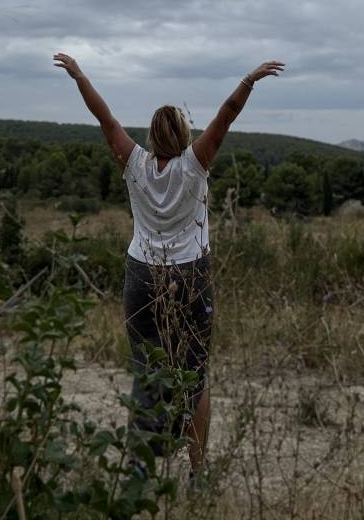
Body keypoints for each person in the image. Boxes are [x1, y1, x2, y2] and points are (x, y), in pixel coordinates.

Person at [53, 52, 284, 476]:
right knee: (194, 376)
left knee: (146, 370)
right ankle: (197, 474)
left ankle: (141, 471)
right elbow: (226, 115)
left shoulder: (134, 163)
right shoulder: (195, 166)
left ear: (152, 135)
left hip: (141, 274)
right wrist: (249, 80)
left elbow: (104, 118)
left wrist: (80, 76)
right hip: (189, 275)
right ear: (183, 134)